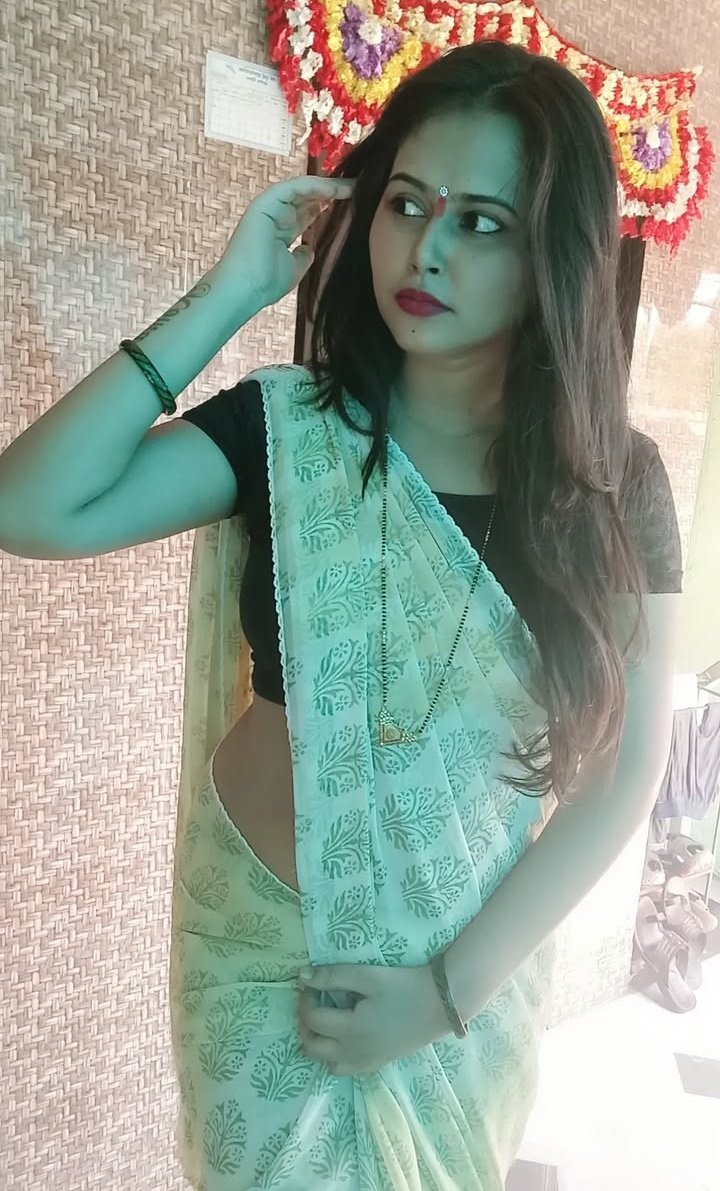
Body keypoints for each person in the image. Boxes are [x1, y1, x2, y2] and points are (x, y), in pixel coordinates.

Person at [0, 38, 683, 1191]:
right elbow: (30, 506)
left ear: (552, 255)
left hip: (457, 990)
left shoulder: (614, 485)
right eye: (406, 203)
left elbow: (624, 777)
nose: (426, 248)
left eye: (482, 222)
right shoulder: (284, 434)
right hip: (262, 970)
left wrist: (446, 995)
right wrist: (229, 294)